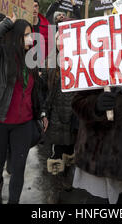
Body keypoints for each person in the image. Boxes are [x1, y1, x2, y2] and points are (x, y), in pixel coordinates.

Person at [0, 14, 48, 204]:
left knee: (18, 168)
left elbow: (37, 92)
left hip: (24, 123)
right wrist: (8, 22)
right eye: (26, 35)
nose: (30, 39)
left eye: (31, 35)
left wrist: (42, 112)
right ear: (17, 35)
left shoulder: (32, 59)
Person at [40, 21, 78, 203]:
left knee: (70, 151)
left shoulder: (79, 60)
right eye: (58, 38)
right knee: (56, 154)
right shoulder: (50, 61)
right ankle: (55, 187)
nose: (61, 41)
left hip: (74, 115)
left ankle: (68, 177)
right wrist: (44, 113)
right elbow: (45, 92)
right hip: (55, 116)